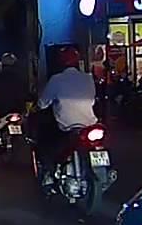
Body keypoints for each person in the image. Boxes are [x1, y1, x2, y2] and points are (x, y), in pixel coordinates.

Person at [34, 46, 97, 184]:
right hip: (90, 124)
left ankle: (49, 174)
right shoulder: (88, 78)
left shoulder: (56, 80)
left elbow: (43, 103)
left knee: (45, 144)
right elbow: (92, 100)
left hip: (66, 127)